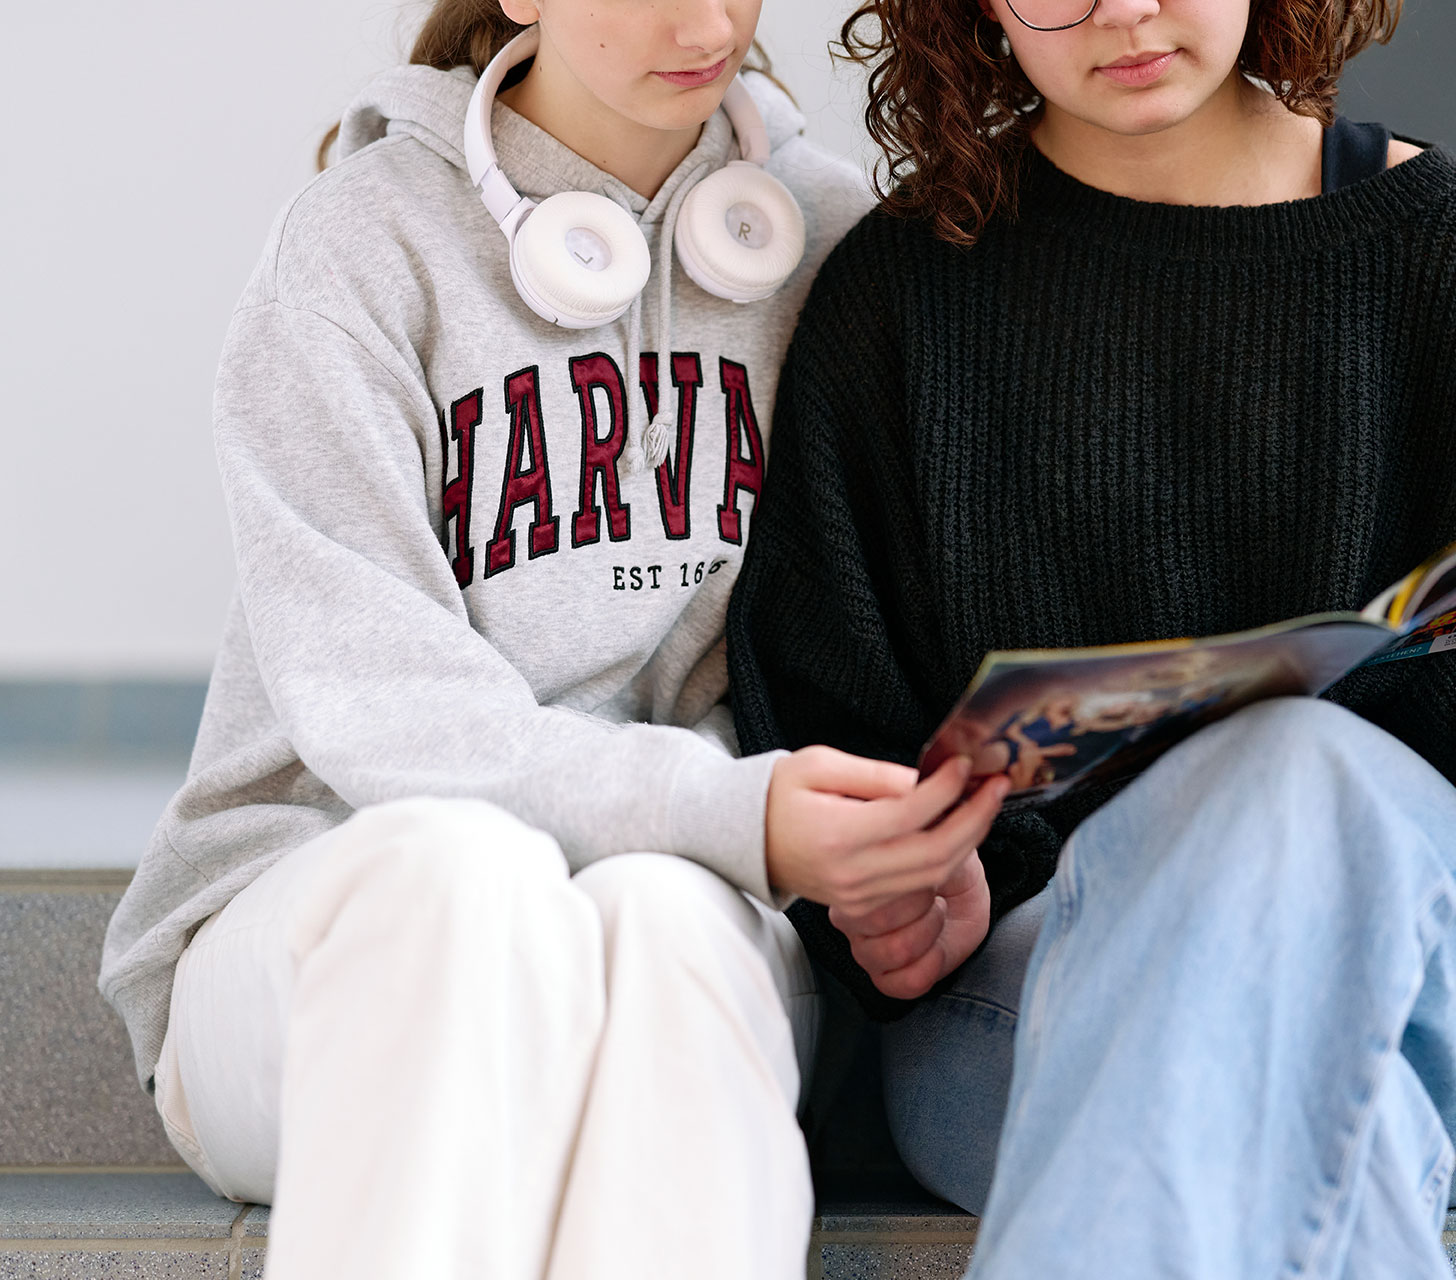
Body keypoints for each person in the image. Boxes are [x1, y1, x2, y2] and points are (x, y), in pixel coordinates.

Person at [726, 0, 1456, 1275]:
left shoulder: (1428, 246)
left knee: (1292, 769)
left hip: (1448, 991)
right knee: (1321, 1117)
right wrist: (911, 892)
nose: (1122, 12)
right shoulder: (901, 294)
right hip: (1019, 1006)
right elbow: (824, 742)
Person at [95, 2, 1009, 1277]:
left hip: (694, 907)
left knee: (677, 911)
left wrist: (902, 836)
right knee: (462, 870)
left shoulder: (834, 245)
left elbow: (863, 648)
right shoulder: (358, 247)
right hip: (334, 923)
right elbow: (387, 706)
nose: (701, 21)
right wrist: (736, 808)